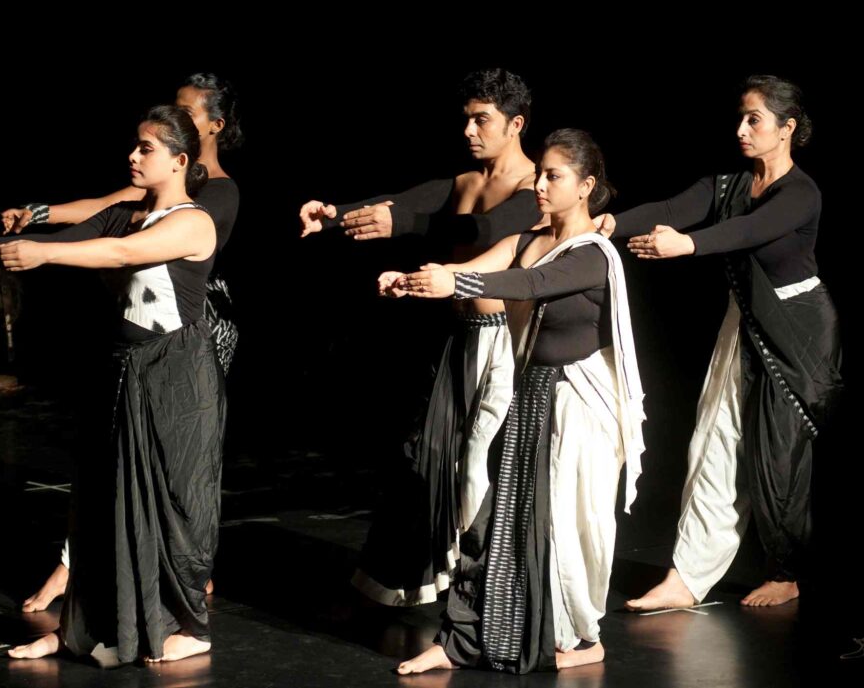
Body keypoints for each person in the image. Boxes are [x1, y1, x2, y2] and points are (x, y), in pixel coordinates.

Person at [0, 105, 224, 663]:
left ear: (179, 160)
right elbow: (80, 233)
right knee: (102, 500)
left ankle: (188, 627)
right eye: (135, 145)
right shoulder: (125, 210)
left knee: (173, 505)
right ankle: (87, 628)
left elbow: (120, 253)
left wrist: (45, 253)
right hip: (124, 368)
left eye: (146, 148)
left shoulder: (194, 221)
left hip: (178, 375)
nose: (133, 155)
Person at [387, 129, 645, 673]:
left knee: (569, 527)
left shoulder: (593, 255)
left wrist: (456, 286)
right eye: (541, 174)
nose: (541, 184)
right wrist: (415, 282)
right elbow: (475, 269)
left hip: (579, 405)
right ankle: (459, 640)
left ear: (586, 186)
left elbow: (527, 284)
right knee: (494, 520)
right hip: (529, 398)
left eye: (555, 176)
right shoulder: (530, 238)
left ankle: (580, 639)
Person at [599, 75, 842, 611]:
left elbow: (752, 231)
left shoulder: (801, 193)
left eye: (754, 119)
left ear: (787, 129)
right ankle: (687, 578)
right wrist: (607, 222)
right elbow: (670, 206)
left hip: (798, 333)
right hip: (745, 320)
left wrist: (687, 245)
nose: (741, 129)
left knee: (777, 459)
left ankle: (786, 573)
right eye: (741, 116)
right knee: (712, 443)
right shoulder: (728, 185)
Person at [304, 69, 542, 605]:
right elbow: (404, 200)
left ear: (516, 124)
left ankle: (484, 588)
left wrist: (406, 226)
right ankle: (425, 580)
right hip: (455, 337)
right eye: (467, 119)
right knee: (424, 457)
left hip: (502, 343)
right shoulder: (465, 182)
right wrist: (336, 215)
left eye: (483, 120)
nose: (469, 131)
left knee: (480, 464)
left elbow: (482, 231)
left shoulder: (535, 189)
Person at [7, 73, 241, 613]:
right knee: (115, 457)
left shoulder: (216, 192)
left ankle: (186, 580)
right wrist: (33, 221)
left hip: (192, 327)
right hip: (138, 327)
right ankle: (86, 573)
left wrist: (45, 250)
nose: (174, 116)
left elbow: (126, 248)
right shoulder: (147, 182)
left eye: (185, 111)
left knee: (179, 459)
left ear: (211, 127)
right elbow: (101, 210)